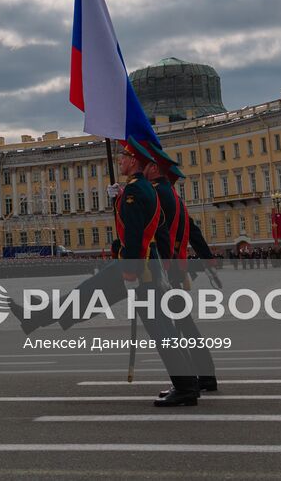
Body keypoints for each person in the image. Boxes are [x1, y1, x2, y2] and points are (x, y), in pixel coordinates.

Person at [11, 144, 200, 407]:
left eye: (124, 157)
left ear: (133, 160)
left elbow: (134, 233)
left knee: (149, 324)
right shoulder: (142, 189)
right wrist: (120, 197)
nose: (120, 160)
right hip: (147, 266)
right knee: (99, 300)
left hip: (139, 268)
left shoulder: (136, 190)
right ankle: (188, 385)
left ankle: (187, 387)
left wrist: (131, 270)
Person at [153, 158, 219, 393]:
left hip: (166, 270)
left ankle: (189, 380)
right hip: (177, 269)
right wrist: (208, 260)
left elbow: (155, 230)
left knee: (174, 328)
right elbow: (195, 233)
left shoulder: (159, 195)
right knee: (184, 325)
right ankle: (206, 376)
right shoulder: (177, 201)